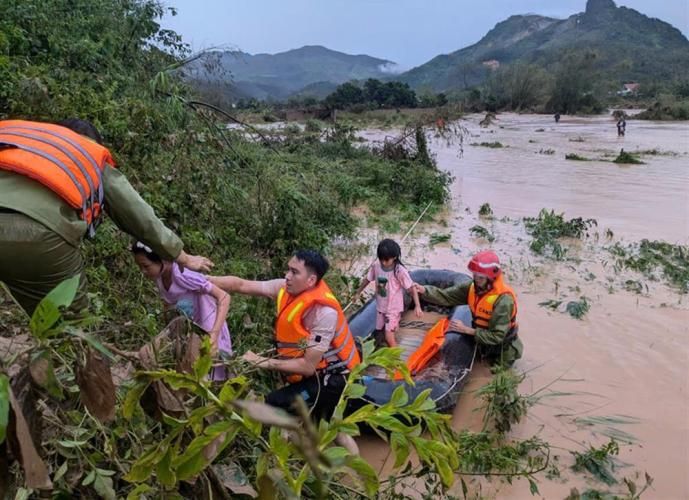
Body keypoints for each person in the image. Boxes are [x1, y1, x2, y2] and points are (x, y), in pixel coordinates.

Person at [0, 119, 213, 317]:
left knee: (33, 305)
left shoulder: (19, 135)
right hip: (41, 235)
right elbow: (138, 215)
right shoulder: (88, 154)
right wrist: (183, 257)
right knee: (66, 324)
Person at [210, 250, 360, 425]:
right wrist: (204, 280)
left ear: (311, 280)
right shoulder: (284, 288)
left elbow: (308, 366)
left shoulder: (324, 314)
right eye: (288, 270)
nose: (287, 276)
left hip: (330, 381)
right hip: (314, 376)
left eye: (294, 272)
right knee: (328, 428)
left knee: (274, 402)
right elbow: (241, 285)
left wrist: (259, 361)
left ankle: (285, 444)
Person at [132, 241, 231, 380]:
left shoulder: (183, 275)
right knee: (148, 357)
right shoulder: (159, 277)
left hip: (206, 329)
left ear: (163, 260)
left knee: (200, 375)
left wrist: (213, 335)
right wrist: (170, 330)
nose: (143, 271)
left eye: (146, 266)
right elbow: (167, 302)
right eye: (139, 266)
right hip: (185, 329)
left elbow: (224, 297)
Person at [413, 250, 523, 367]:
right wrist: (424, 290)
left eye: (480, 277)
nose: (476, 280)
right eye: (474, 275)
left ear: (491, 278)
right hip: (482, 340)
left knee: (494, 373)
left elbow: (497, 336)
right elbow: (447, 296)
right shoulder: (472, 287)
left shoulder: (503, 301)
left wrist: (467, 330)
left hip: (502, 348)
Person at [354, 239, 422, 348]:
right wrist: (358, 292)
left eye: (386, 260)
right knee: (379, 328)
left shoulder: (399, 271)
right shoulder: (376, 266)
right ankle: (393, 331)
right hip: (381, 306)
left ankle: (396, 361)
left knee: (389, 338)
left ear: (394, 257)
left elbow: (411, 288)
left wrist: (417, 306)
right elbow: (368, 279)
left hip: (393, 308)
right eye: (381, 259)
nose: (383, 263)